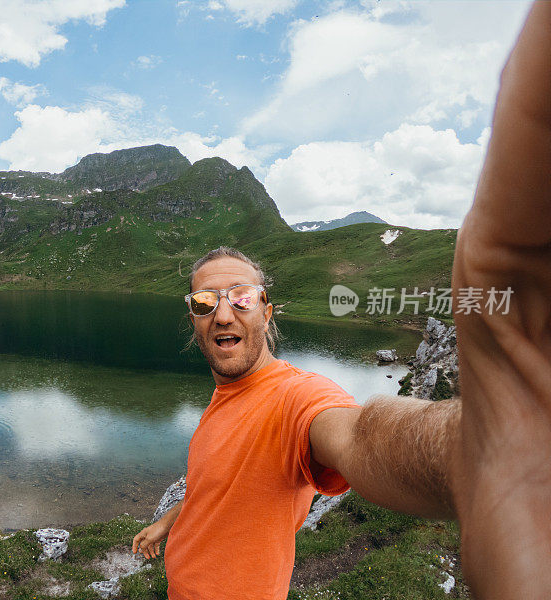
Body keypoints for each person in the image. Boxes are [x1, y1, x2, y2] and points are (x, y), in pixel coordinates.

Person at [132, 3, 551, 598]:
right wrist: (168, 522)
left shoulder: (292, 398)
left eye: (240, 296)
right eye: (204, 301)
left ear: (267, 310)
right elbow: (211, 485)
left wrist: (479, 452)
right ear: (195, 317)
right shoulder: (225, 397)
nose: (222, 312)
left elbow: (358, 437)